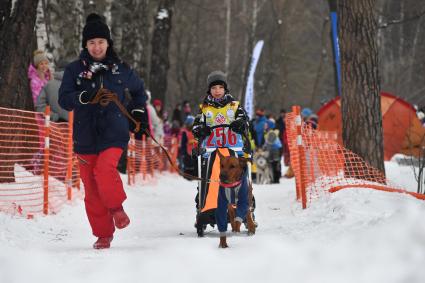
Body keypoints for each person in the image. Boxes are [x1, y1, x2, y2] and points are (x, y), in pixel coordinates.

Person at [58, 13, 147, 249]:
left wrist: (137, 114)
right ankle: (103, 234)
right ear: (85, 45)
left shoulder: (121, 69)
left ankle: (117, 209)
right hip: (85, 136)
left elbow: (139, 93)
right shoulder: (74, 70)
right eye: (91, 42)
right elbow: (64, 100)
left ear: (108, 43)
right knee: (92, 190)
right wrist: (84, 97)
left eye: (101, 42)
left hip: (114, 132)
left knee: (104, 169)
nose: (96, 47)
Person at [192, 70, 252, 239]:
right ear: (209, 90)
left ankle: (241, 207)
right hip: (211, 150)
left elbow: (245, 119)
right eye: (214, 88)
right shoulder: (204, 109)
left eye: (220, 87)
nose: (217, 91)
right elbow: (195, 127)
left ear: (225, 89)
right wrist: (199, 130)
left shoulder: (234, 106)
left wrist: (241, 123)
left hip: (233, 149)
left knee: (237, 178)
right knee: (211, 178)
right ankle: (206, 206)